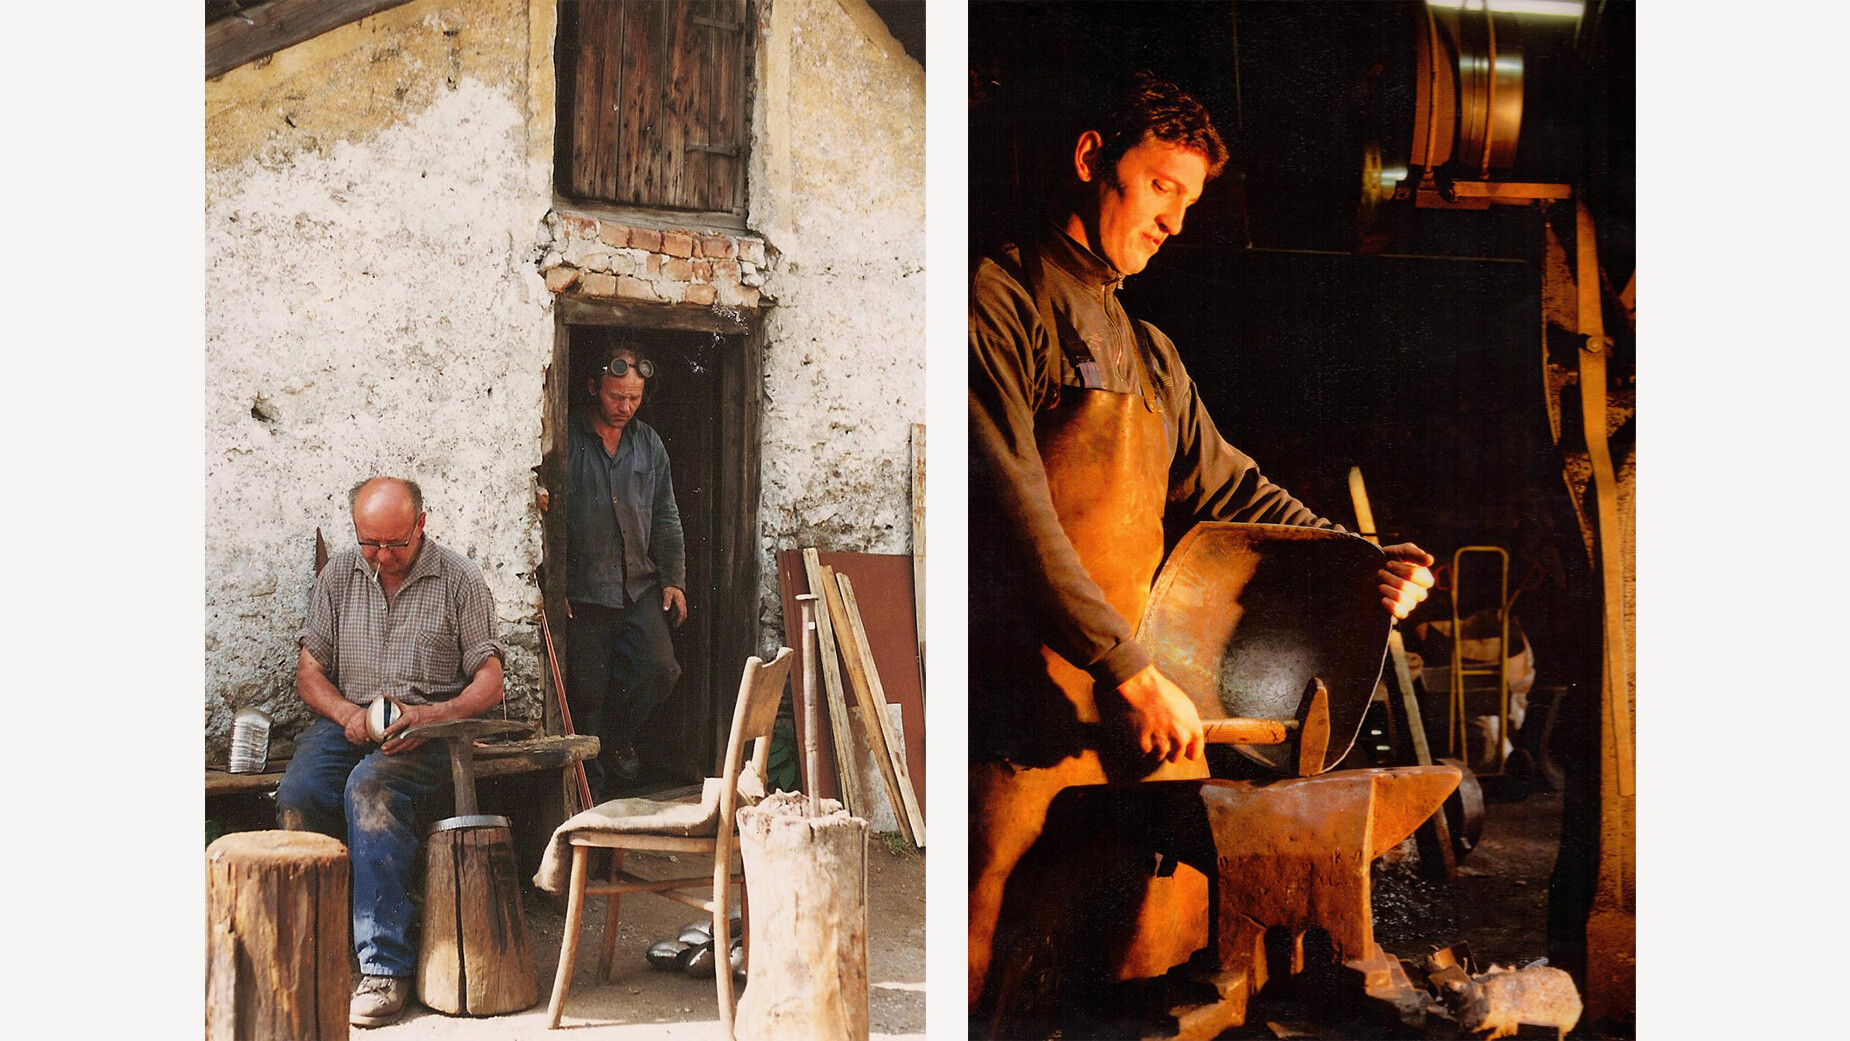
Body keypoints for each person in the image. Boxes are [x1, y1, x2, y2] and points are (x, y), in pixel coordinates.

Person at [967, 72, 1437, 1016]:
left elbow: (1235, 488)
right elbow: (1017, 512)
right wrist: (1128, 669)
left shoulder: (1150, 351)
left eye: (1189, 201)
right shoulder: (999, 296)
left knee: (1151, 960)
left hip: (1143, 718)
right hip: (1034, 707)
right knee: (992, 949)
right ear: (1093, 158)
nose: (1174, 223)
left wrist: (1363, 559)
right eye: (1161, 189)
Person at [275, 476, 506, 1028]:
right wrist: (346, 715)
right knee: (299, 792)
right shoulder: (339, 576)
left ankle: (383, 967)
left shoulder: (459, 580)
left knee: (370, 788)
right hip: (351, 720)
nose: (380, 557)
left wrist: (431, 716)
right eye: (368, 542)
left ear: (420, 526)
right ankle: (314, 948)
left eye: (394, 544)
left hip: (431, 729)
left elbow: (490, 681)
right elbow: (310, 674)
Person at [563, 342, 687, 799]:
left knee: (660, 669)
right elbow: (547, 514)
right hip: (585, 593)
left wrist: (674, 580)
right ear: (595, 387)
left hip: (638, 587)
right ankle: (592, 807)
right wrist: (553, 584)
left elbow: (667, 514)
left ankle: (617, 738)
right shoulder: (570, 436)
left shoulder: (648, 443)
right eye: (617, 398)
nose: (625, 407)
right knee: (587, 699)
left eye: (634, 399)